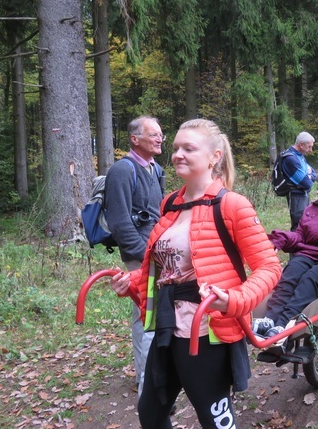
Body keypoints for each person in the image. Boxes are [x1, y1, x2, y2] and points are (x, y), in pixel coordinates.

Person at [109, 119, 281, 429]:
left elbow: (269, 267)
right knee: (151, 413)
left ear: (215, 156)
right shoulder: (171, 203)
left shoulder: (232, 205)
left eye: (189, 148)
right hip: (167, 326)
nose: (177, 154)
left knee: (215, 421)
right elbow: (163, 268)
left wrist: (234, 299)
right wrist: (131, 281)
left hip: (206, 332)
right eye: (175, 148)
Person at [252, 166, 318, 338]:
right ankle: (270, 318)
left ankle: (284, 323)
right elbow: (300, 236)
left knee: (310, 279)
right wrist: (278, 240)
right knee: (292, 271)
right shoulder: (312, 209)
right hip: (308, 254)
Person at [104, 115, 166, 395]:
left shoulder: (157, 169)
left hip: (159, 253)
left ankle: (155, 373)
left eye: (161, 134)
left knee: (154, 313)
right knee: (146, 316)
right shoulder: (122, 170)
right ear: (134, 139)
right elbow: (119, 222)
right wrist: (144, 257)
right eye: (153, 134)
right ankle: (147, 382)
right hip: (140, 255)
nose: (159, 138)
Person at [281, 132, 317, 231]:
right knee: (298, 225)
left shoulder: (299, 156)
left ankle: (301, 245)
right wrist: (309, 176)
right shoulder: (291, 159)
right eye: (309, 147)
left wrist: (309, 176)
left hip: (302, 195)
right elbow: (307, 183)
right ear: (301, 144)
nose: (310, 150)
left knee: (305, 223)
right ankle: (294, 245)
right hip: (296, 196)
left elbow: (314, 173)